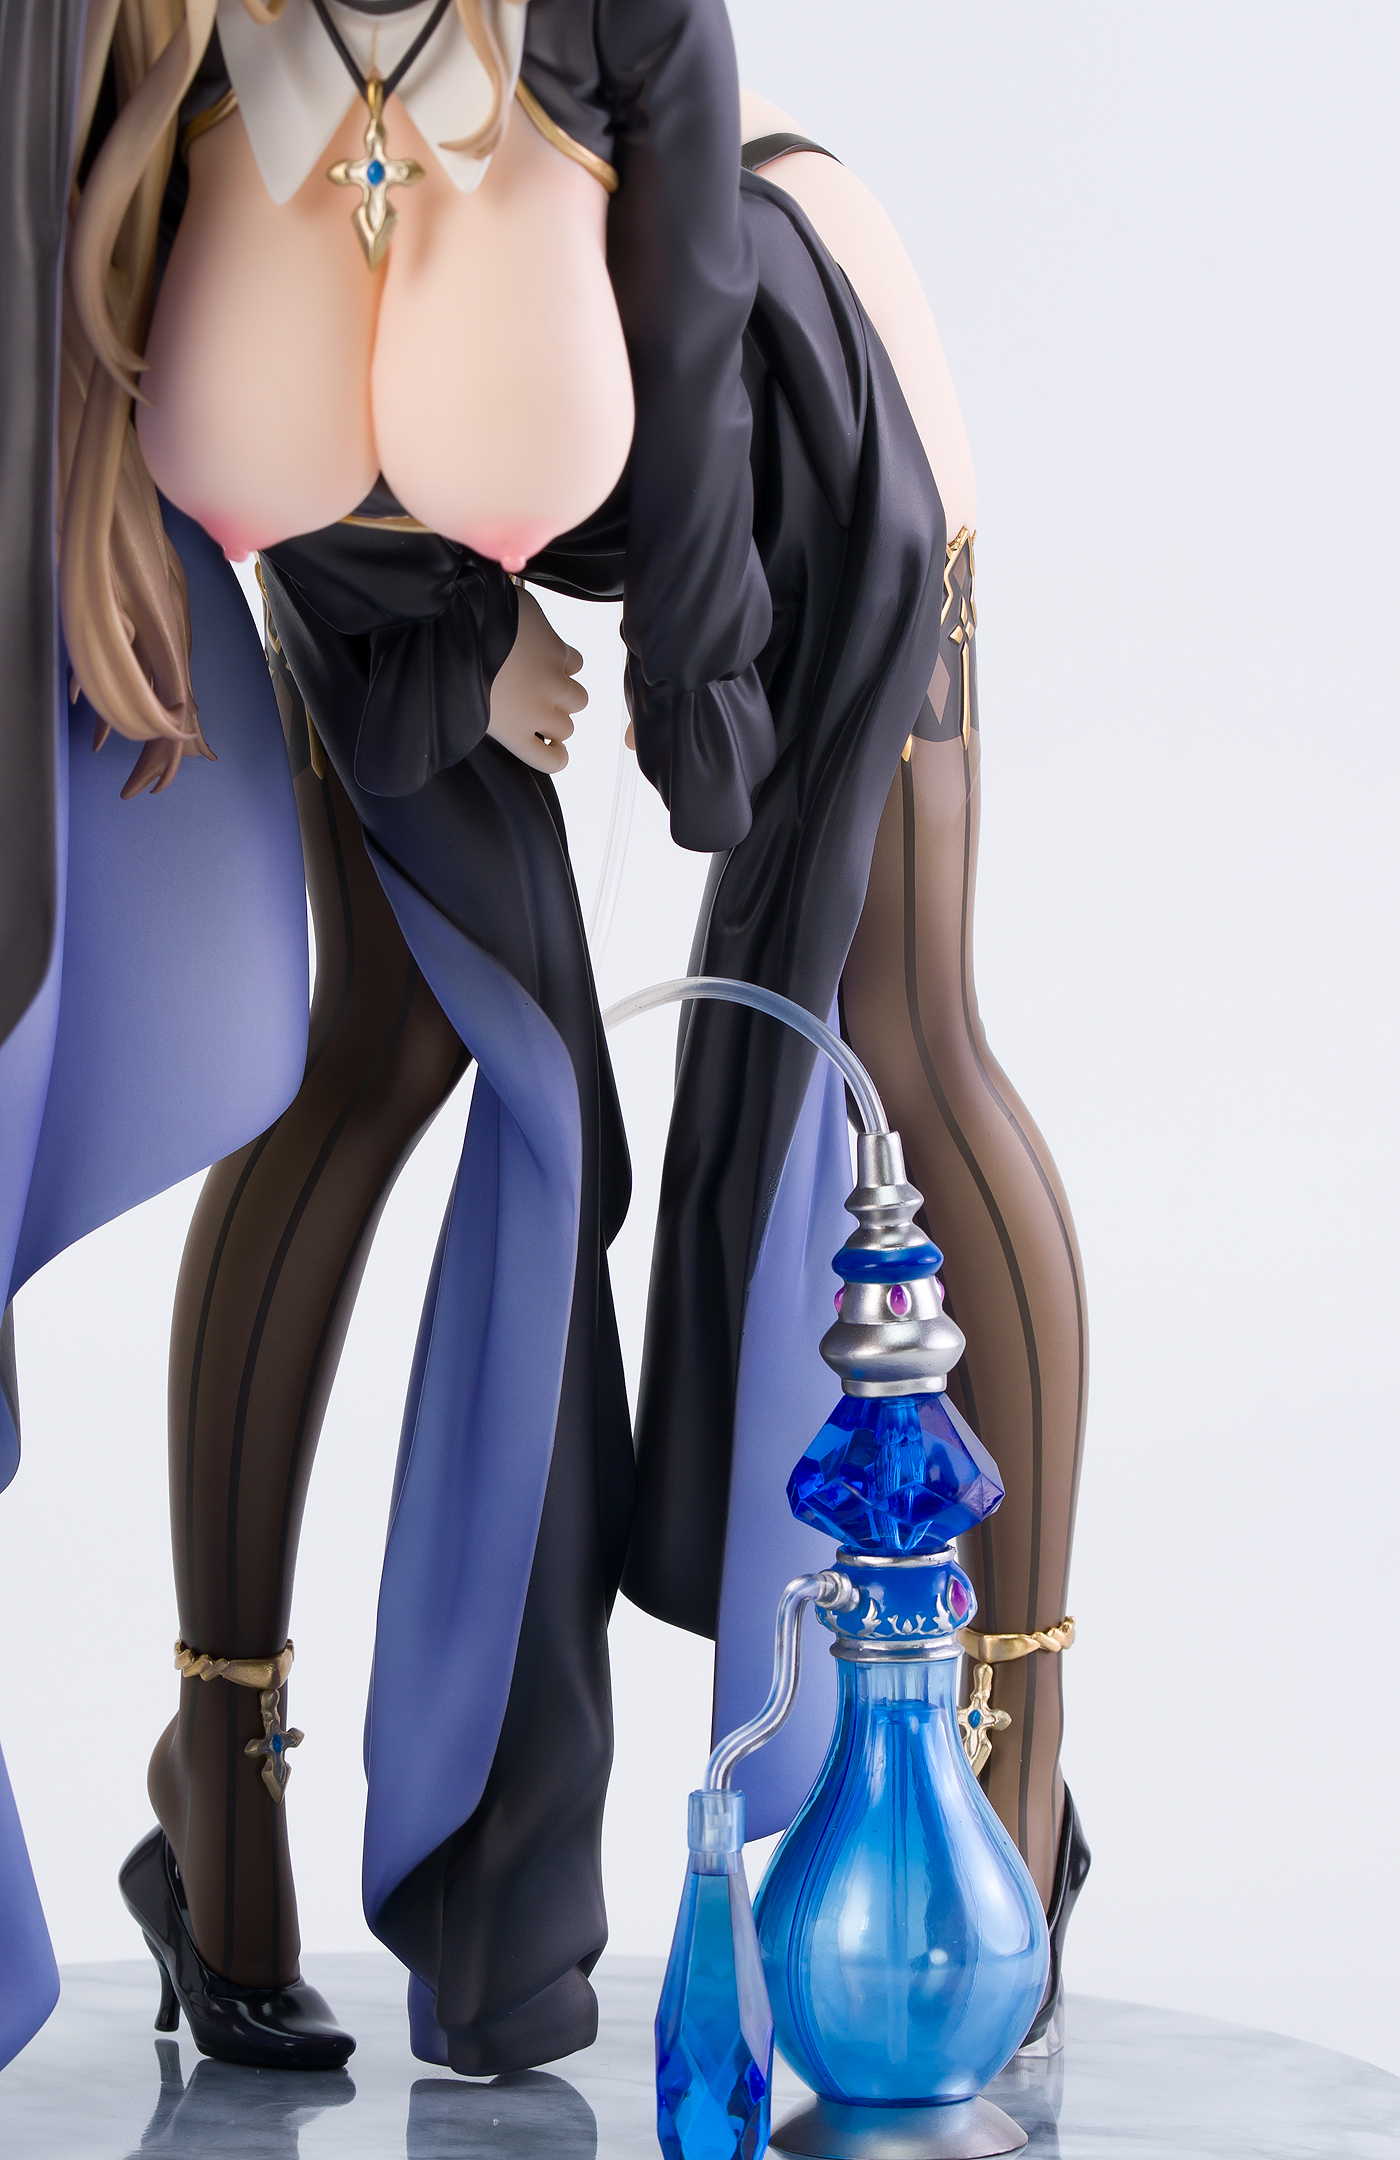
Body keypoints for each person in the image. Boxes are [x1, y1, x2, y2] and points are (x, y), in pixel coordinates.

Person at [0, 0, 1084, 2078]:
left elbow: (692, 415)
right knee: (400, 1057)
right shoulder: (155, 41)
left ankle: (1006, 1768)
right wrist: (443, 643)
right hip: (390, 550)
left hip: (788, 451)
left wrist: (697, 705)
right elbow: (150, 398)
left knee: (888, 1045)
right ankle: (223, 1776)